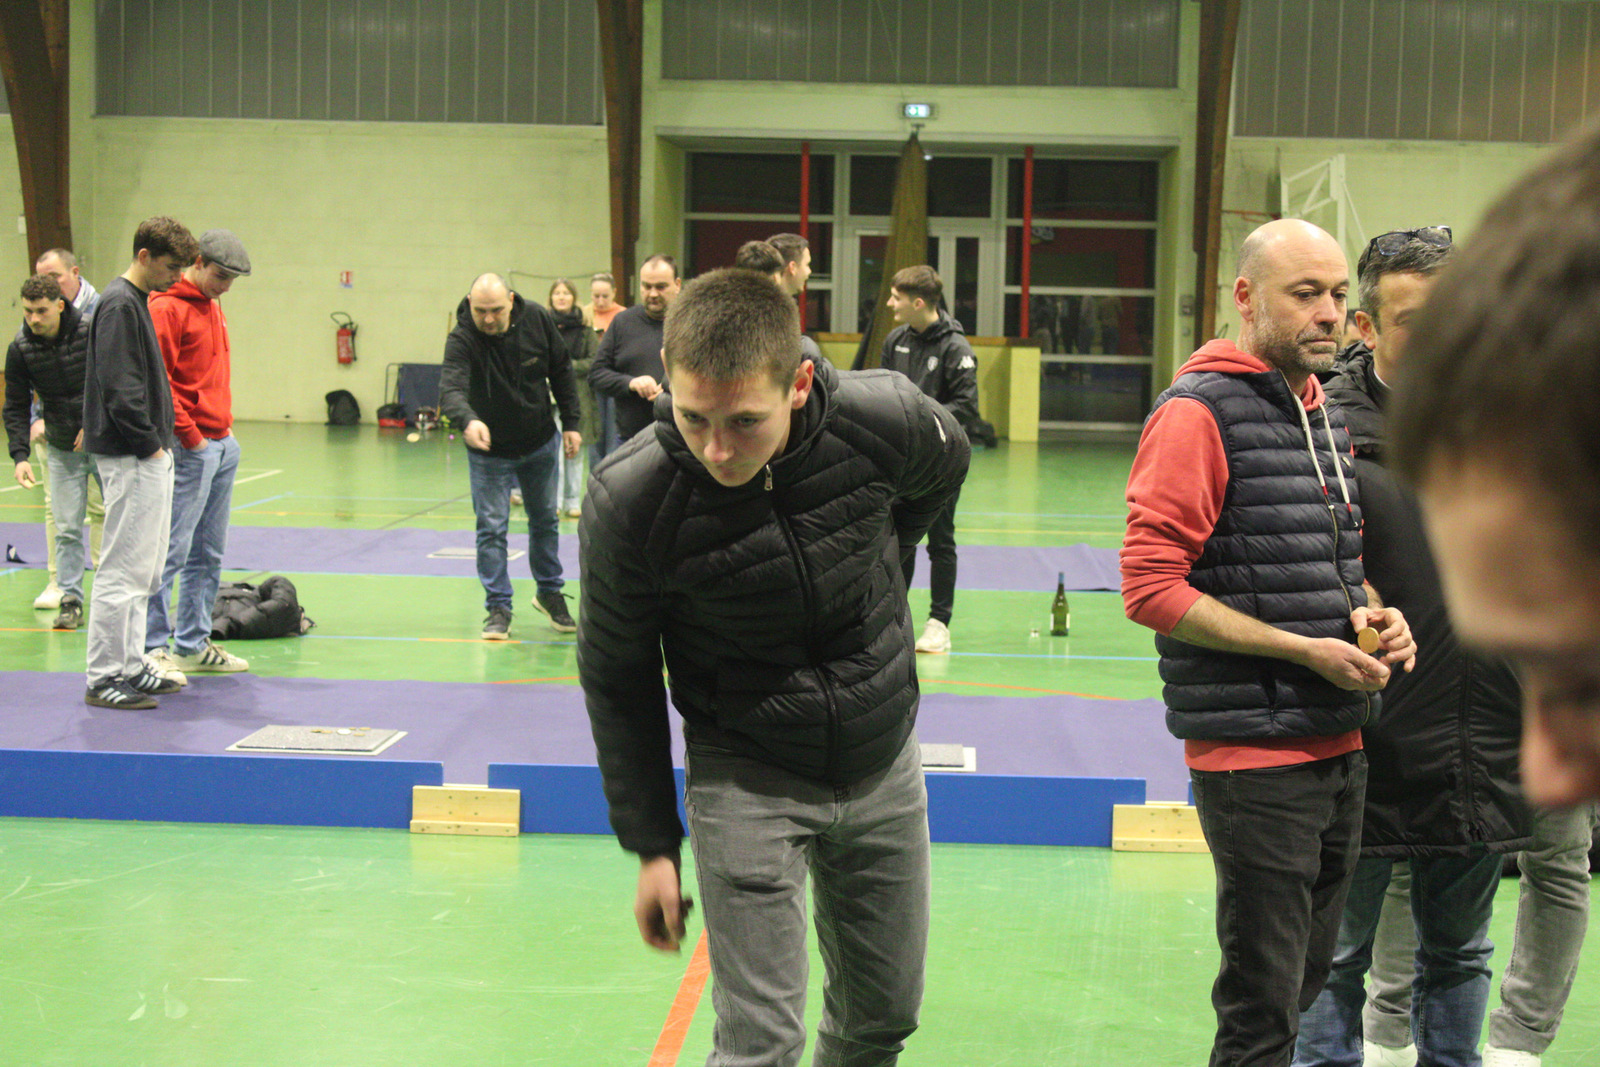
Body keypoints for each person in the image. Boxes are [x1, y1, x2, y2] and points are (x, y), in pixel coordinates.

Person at [578, 268, 969, 1067]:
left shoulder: (883, 417)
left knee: (883, 1018)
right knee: (761, 1044)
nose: (717, 449)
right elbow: (619, 678)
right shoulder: (632, 500)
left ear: (797, 384)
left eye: (745, 422)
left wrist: (887, 553)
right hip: (745, 773)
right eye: (693, 417)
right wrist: (652, 844)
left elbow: (946, 463)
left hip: (881, 759)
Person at [1121, 218, 1416, 1067]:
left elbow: (1322, 566)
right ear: (1245, 297)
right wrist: (1300, 650)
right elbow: (1150, 586)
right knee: (1262, 1006)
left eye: (1337, 295)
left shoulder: (1319, 410)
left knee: (1303, 983)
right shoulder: (1196, 414)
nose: (1328, 313)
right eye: (1305, 294)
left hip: (1336, 740)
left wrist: (1374, 612)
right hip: (1254, 754)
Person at [1388, 117, 1600, 1065]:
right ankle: (1388, 1033)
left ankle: (1516, 1042)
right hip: (1441, 707)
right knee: (1432, 857)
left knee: (1556, 855)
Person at [1292, 227, 1530, 1067]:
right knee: (1334, 956)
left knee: (1460, 954)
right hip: (1361, 733)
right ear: (1365, 326)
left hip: (1482, 733)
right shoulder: (1319, 428)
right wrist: (1353, 603)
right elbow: (1284, 562)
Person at [82, 216, 196, 709]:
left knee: (143, 571)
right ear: (144, 256)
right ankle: (103, 676)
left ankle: (130, 665)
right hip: (130, 455)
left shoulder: (137, 302)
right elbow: (119, 387)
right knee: (121, 570)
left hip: (145, 454)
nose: (177, 277)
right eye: (171, 267)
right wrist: (149, 444)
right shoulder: (118, 305)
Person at [439, 273, 581, 639]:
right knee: (491, 529)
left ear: (511, 301)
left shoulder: (537, 319)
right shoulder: (462, 337)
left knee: (545, 521)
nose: (488, 319)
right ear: (470, 304)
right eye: (480, 311)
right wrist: (468, 420)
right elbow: (450, 389)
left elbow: (562, 370)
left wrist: (571, 422)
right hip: (490, 452)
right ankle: (498, 606)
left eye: (496, 310)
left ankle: (549, 592)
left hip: (540, 442)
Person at [144, 230, 254, 678]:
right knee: (170, 550)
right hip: (192, 447)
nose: (225, 286)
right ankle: (152, 647)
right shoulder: (167, 307)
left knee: (208, 553)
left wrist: (222, 436)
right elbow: (160, 383)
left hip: (221, 442)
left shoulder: (212, 303)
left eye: (232, 280)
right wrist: (191, 437)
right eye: (220, 275)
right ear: (197, 262)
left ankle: (192, 643)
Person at [881, 265, 978, 655]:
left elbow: (966, 406)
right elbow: (884, 391)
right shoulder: (895, 341)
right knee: (896, 540)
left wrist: (920, 422)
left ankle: (939, 624)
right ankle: (894, 618)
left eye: (896, 298)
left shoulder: (956, 348)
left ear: (918, 302)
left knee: (940, 540)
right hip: (900, 462)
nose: (890, 304)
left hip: (940, 462)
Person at [4, 274, 96, 630]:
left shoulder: (91, 330)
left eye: (41, 311)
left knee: (118, 520)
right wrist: (20, 456)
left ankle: (120, 596)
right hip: (60, 448)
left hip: (105, 444)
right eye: (28, 311)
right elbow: (15, 405)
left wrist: (94, 422)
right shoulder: (20, 349)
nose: (33, 319)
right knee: (67, 527)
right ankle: (71, 601)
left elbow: (114, 380)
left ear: (60, 305)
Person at [29, 247, 102, 611]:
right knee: (58, 514)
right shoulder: (36, 314)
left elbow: (108, 374)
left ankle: (105, 581)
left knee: (102, 508)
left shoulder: (100, 310)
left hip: (96, 434)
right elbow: (30, 366)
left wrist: (94, 422)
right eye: (41, 277)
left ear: (74, 273)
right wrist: (35, 417)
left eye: (55, 276)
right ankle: (59, 583)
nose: (48, 284)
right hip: (54, 431)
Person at [589, 254, 679, 443]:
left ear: (677, 285)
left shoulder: (691, 323)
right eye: (647, 286)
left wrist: (673, 391)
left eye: (661, 287)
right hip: (630, 438)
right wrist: (631, 383)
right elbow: (596, 374)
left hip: (681, 437)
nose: (653, 294)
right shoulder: (623, 322)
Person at [548, 278, 597, 518]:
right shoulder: (544, 327)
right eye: (557, 293)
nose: (561, 297)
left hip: (578, 399)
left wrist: (566, 367)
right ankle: (555, 501)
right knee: (554, 452)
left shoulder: (586, 330)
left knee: (574, 451)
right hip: (548, 400)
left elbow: (593, 361)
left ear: (574, 298)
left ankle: (572, 501)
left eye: (566, 293)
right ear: (551, 298)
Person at [585, 271, 625, 463]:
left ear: (614, 293)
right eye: (596, 296)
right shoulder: (584, 314)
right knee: (595, 433)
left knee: (613, 432)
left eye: (605, 296)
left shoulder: (623, 315)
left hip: (616, 379)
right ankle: (595, 474)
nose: (600, 301)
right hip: (592, 381)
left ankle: (611, 470)